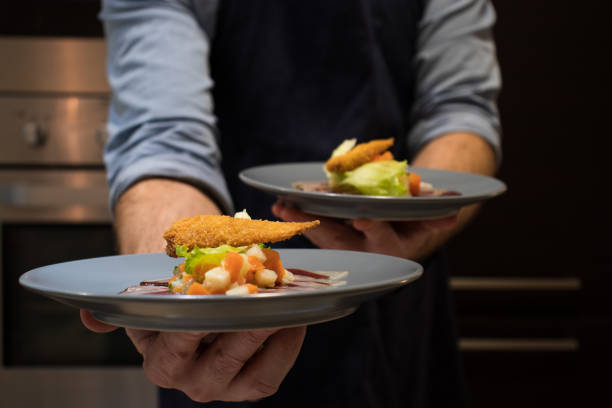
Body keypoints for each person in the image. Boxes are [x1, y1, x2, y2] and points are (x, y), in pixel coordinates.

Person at [81, 0, 501, 406]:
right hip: (218, 325)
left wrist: (414, 216)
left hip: (399, 303)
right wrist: (170, 303)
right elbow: (164, 137)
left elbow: (461, 109)